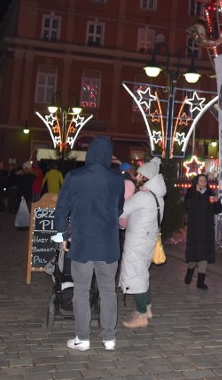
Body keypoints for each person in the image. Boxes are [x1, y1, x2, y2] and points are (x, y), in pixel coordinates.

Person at [53, 136, 124, 351]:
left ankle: (82, 338)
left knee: (81, 291)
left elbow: (61, 208)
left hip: (82, 241)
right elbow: (119, 208)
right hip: (108, 243)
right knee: (108, 291)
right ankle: (109, 338)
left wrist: (63, 234)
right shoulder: (116, 179)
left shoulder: (74, 176)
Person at [118, 157, 165, 329]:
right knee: (142, 273)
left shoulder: (143, 197)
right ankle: (147, 307)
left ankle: (141, 314)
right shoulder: (158, 197)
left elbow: (122, 210)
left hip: (138, 240)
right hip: (148, 239)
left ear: (146, 177)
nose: (136, 178)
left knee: (136, 275)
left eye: (139, 175)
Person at [183, 173, 222, 289]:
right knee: (194, 254)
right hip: (194, 228)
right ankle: (190, 270)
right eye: (200, 181)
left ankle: (200, 282)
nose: (203, 183)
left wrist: (216, 202)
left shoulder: (210, 194)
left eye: (204, 181)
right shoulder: (191, 193)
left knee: (204, 255)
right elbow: (188, 205)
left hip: (206, 228)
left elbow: (217, 210)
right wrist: (196, 193)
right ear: (196, 182)